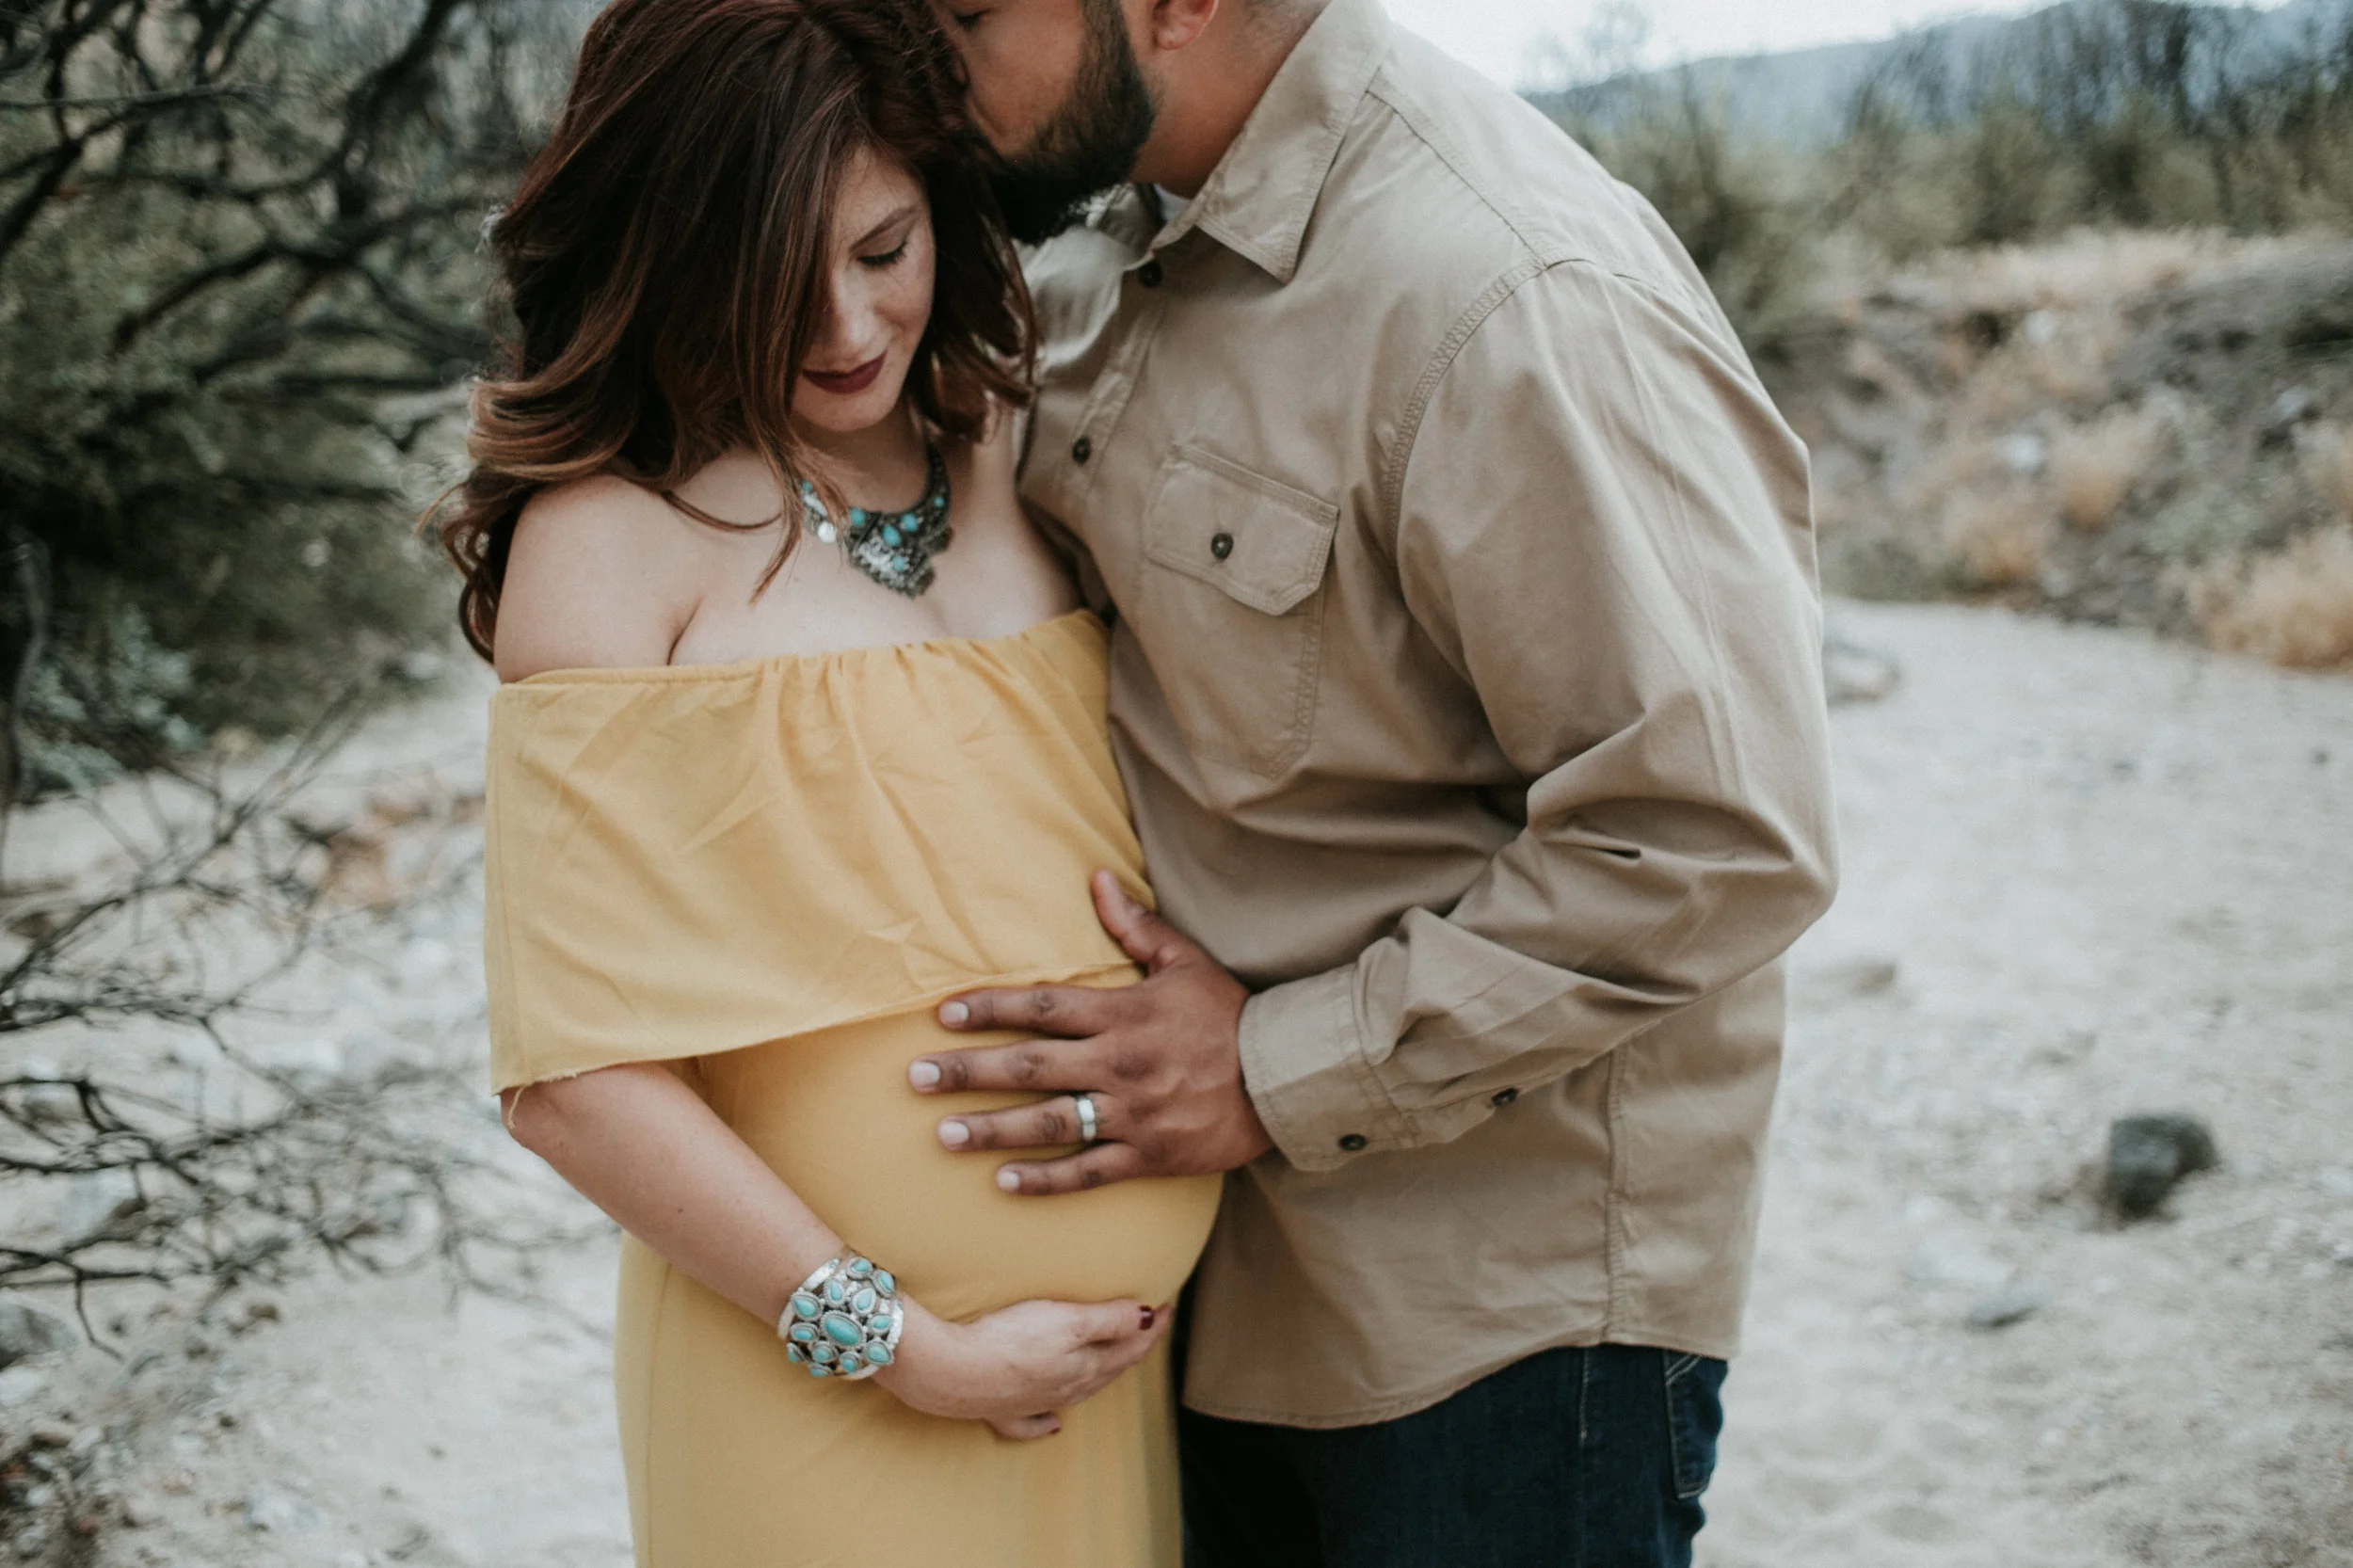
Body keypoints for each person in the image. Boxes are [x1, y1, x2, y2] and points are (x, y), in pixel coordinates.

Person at [904, 1, 1842, 1563]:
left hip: (1489, 1332)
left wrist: (1276, 1070)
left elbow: (1717, 831)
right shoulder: (1095, 264)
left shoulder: (1508, 290)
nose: (922, 56)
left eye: (967, 12)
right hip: (1204, 1293)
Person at [434, 2, 1221, 1564]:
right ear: (669, 259)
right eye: (774, 278)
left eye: (881, 249)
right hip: (817, 1390)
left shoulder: (1006, 443)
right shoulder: (610, 540)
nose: (850, 328)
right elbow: (573, 1081)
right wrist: (915, 1351)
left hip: (1115, 1382)